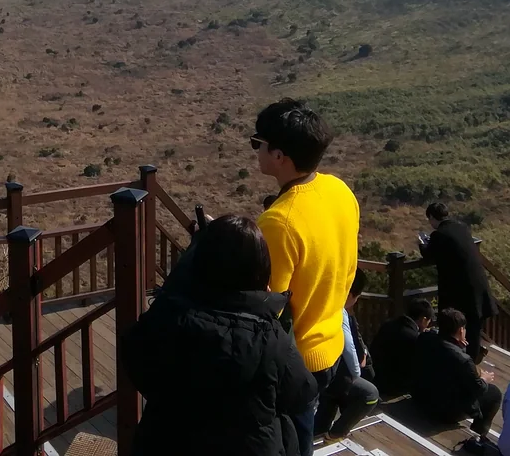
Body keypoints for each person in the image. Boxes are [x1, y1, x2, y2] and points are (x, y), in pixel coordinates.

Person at [121, 215, 316, 456]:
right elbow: (302, 394)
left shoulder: (168, 314)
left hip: (165, 443)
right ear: (260, 271)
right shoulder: (270, 338)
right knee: (286, 429)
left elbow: (134, 354)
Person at [254, 99, 359, 456]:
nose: (256, 151)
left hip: (297, 360)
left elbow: (270, 306)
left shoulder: (279, 220)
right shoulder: (339, 189)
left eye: (259, 143)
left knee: (293, 441)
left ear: (279, 155)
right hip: (332, 343)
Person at [411, 308, 502, 453]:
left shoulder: (425, 338)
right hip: (444, 412)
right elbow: (477, 388)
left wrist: (460, 348)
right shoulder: (463, 360)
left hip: (420, 396)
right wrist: (484, 379)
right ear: (461, 330)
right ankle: (478, 436)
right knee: (494, 393)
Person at [420, 202, 498, 363]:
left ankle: (454, 361)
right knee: (474, 327)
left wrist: (421, 244)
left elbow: (428, 255)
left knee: (452, 324)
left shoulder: (439, 234)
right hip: (478, 283)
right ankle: (472, 362)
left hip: (459, 288)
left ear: (433, 218)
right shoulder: (462, 227)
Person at [315, 269, 380, 442]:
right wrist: (356, 372)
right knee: (370, 395)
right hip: (330, 369)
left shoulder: (321, 299)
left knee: (327, 405)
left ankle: (320, 432)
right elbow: (350, 349)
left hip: (320, 367)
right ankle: (335, 434)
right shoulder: (341, 313)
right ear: (350, 294)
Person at [369, 297, 435, 399]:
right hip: (395, 389)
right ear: (423, 319)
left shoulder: (388, 324)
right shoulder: (414, 338)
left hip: (375, 379)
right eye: (428, 321)